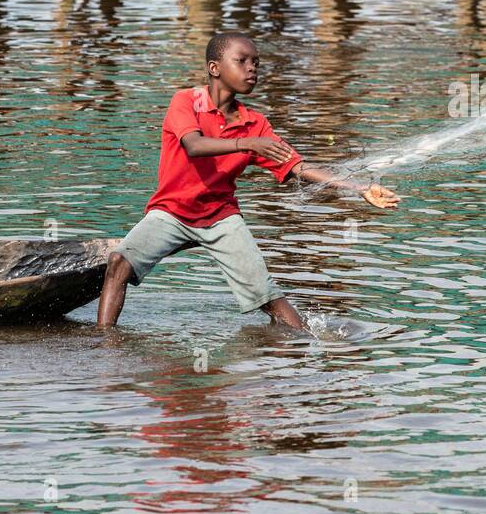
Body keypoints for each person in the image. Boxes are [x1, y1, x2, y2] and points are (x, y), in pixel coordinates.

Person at [97, 31, 399, 330]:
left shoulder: (255, 123)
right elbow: (194, 145)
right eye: (241, 61)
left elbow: (297, 165)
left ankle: (303, 344)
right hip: (171, 212)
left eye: (256, 62)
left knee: (266, 296)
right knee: (118, 264)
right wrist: (248, 144)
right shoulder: (186, 101)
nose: (252, 68)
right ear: (214, 68)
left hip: (221, 218)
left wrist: (358, 188)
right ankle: (104, 346)